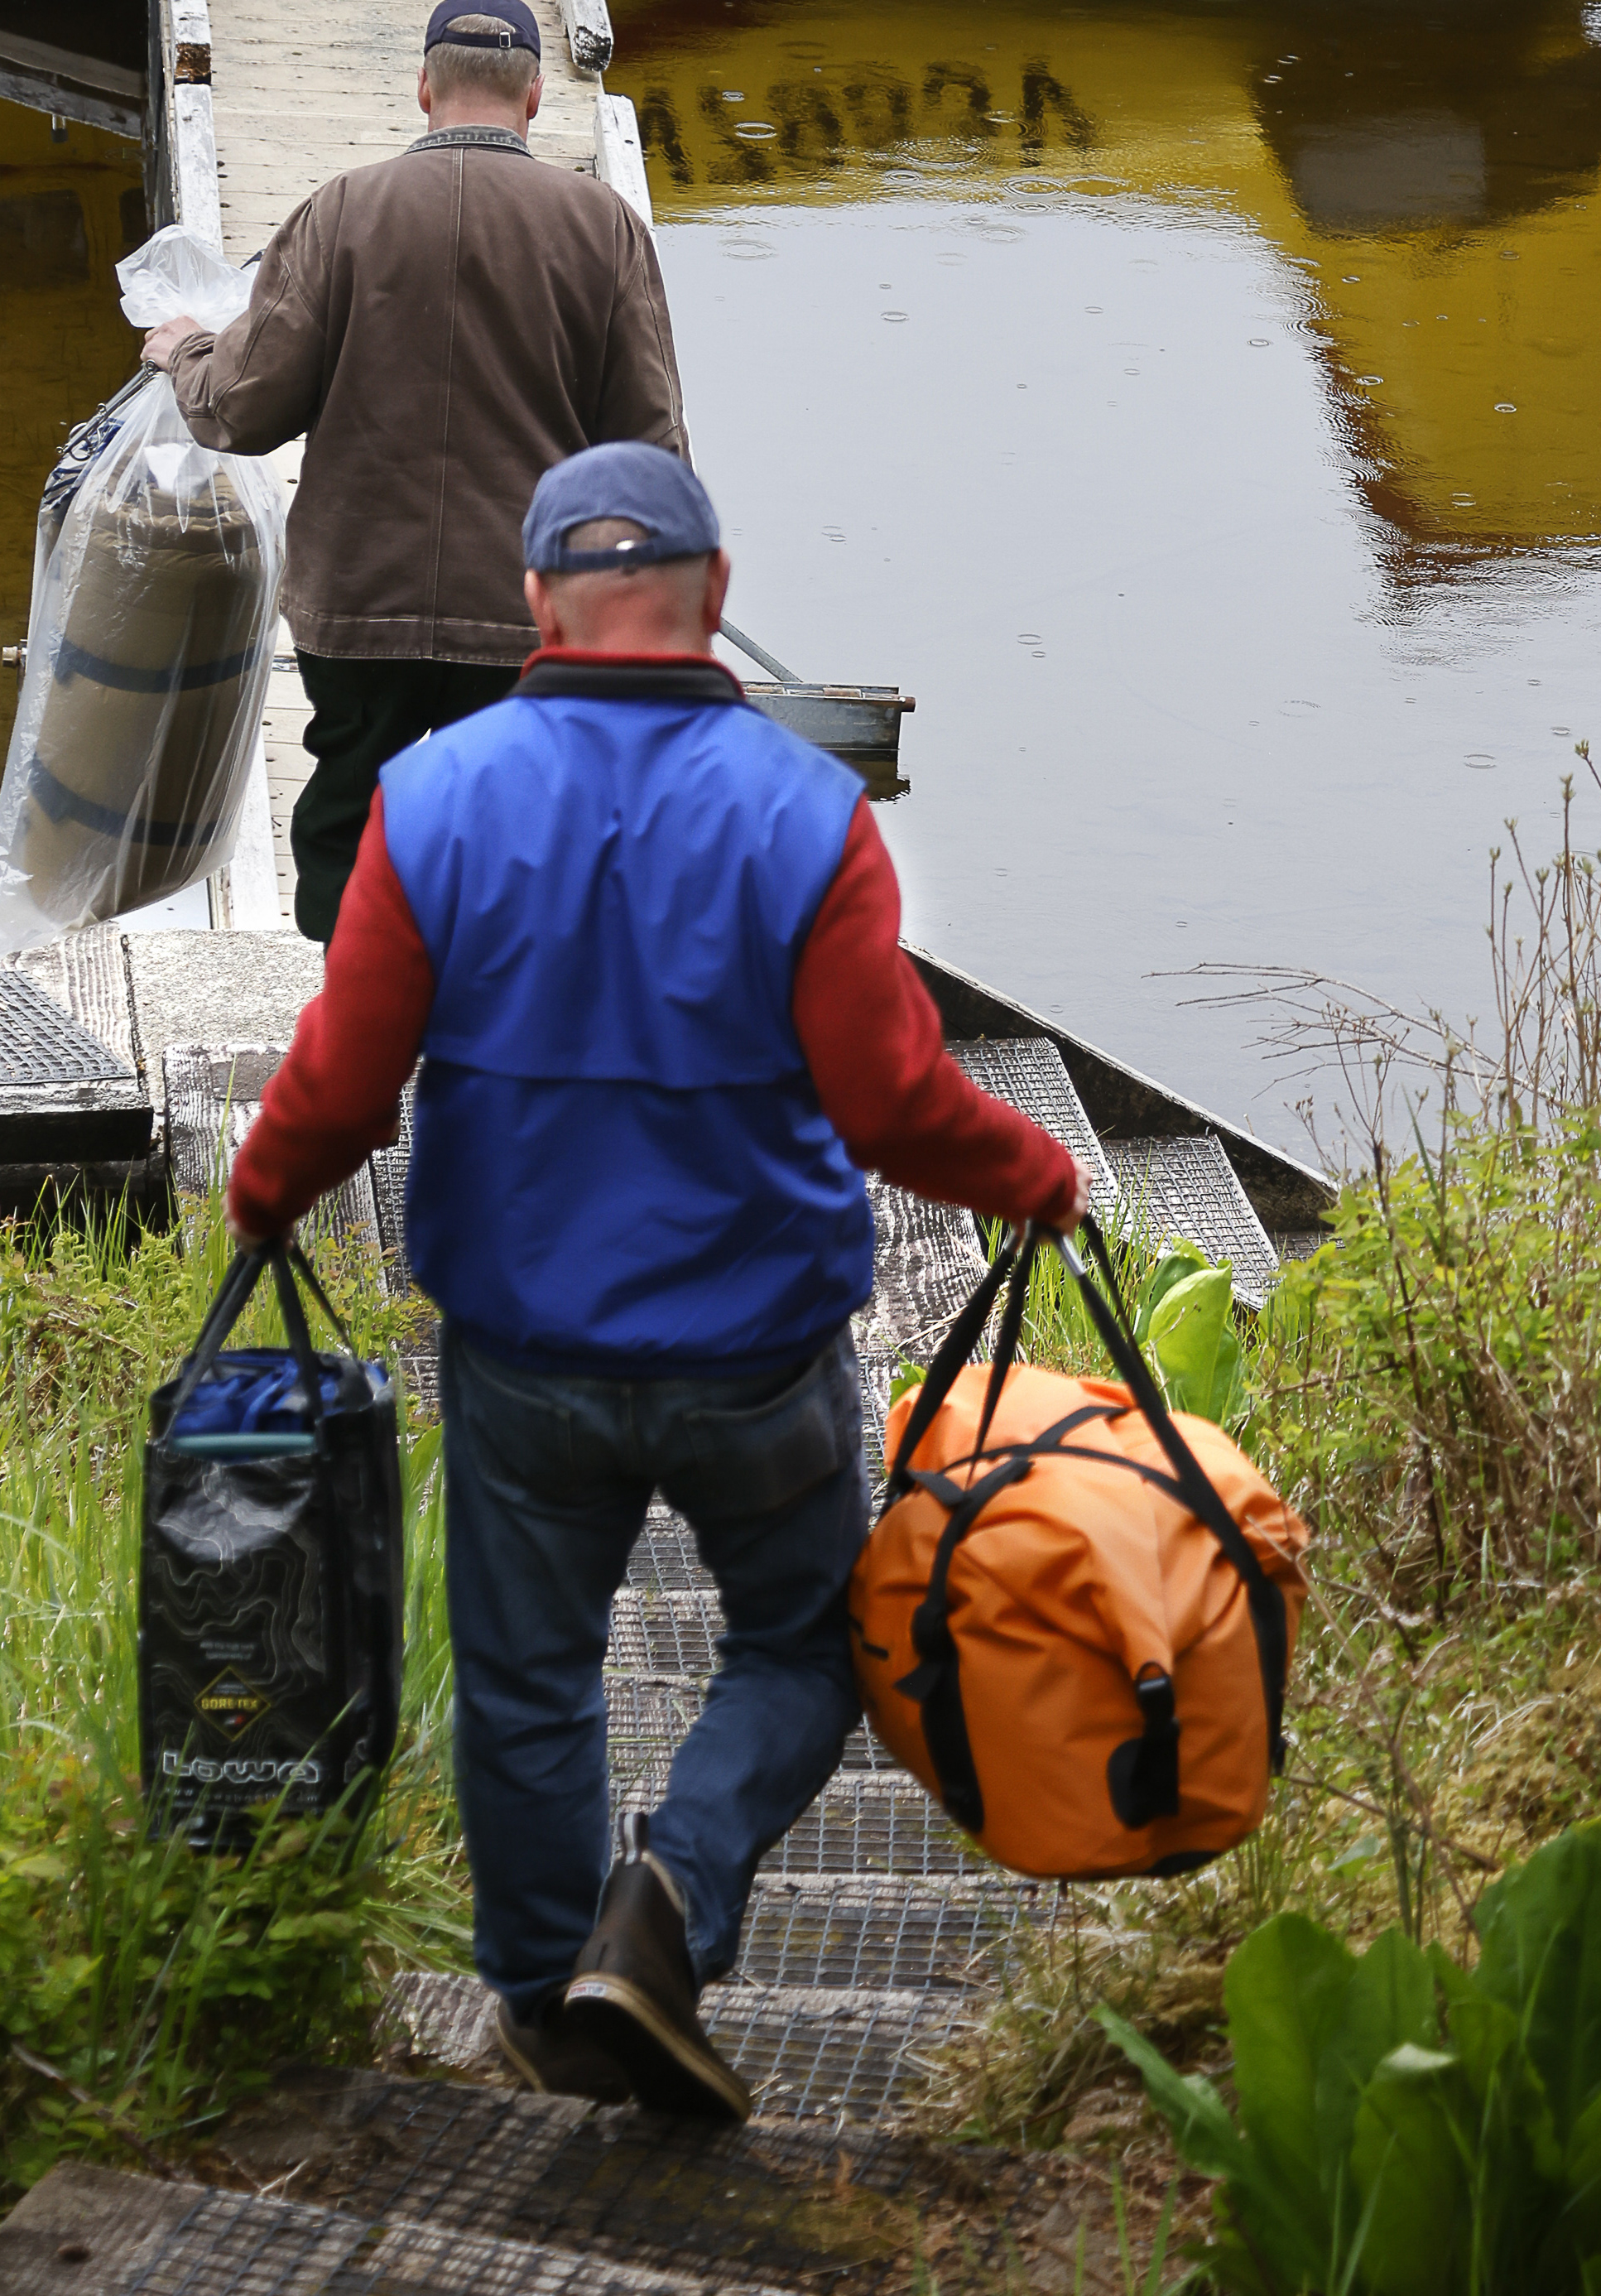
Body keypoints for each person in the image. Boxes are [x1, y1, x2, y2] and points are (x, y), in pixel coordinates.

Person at [223, 441, 1080, 2123]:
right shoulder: (807, 813)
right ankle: (670, 1900)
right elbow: (892, 1100)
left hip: (523, 1346)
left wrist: (264, 1194)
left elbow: (346, 1076)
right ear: (718, 596)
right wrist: (1029, 1172)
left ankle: (549, 1998)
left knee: (531, 1675)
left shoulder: (435, 795)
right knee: (812, 1640)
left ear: (535, 601)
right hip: (755, 1349)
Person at [142, 0, 685, 941]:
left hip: (359, 601)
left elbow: (242, 410)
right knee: (523, 838)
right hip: (527, 612)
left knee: (350, 820)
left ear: (423, 90)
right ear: (533, 99)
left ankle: (359, 1040)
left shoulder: (341, 212)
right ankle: (494, 1049)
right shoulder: (603, 228)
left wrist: (183, 349)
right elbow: (649, 457)